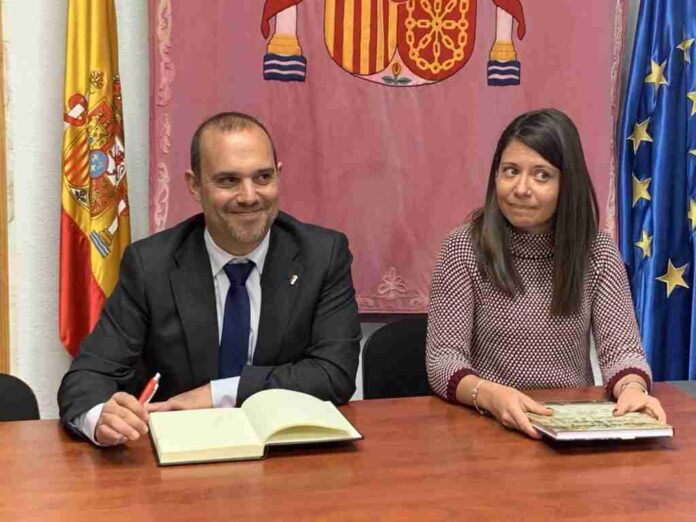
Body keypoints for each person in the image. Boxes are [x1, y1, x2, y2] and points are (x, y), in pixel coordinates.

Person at [58, 112, 361, 446]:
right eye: (228, 181)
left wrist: (220, 393)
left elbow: (334, 373)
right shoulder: (151, 265)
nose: (249, 196)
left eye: (263, 177)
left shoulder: (322, 255)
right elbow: (88, 376)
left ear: (279, 174)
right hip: (181, 454)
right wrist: (100, 417)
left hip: (288, 454)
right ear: (195, 185)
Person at [425, 108, 666, 439]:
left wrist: (633, 389)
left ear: (567, 184)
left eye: (542, 175)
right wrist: (489, 395)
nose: (521, 188)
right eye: (511, 171)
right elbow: (442, 359)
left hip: (569, 424)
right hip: (488, 425)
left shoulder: (597, 252)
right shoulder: (462, 247)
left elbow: (622, 352)